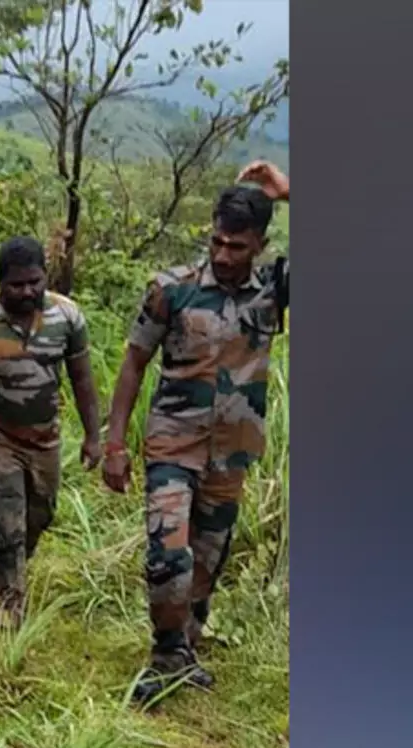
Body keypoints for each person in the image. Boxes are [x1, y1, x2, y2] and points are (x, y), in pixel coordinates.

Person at [101, 160, 290, 707]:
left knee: (208, 557)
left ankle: (186, 649)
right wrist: (115, 444)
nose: (224, 254)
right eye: (217, 241)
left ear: (260, 243)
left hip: (232, 452)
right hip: (172, 442)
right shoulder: (172, 290)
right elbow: (134, 361)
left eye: (237, 246)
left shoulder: (274, 290)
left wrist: (291, 192)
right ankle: (163, 657)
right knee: (168, 553)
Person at [0, 236, 102, 627]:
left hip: (45, 438)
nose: (27, 291)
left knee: (40, 514)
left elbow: (82, 378)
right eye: (16, 284)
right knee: (5, 518)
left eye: (34, 282)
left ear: (45, 276)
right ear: (0, 282)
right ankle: (10, 603)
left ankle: (16, 567)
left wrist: (94, 436)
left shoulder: (67, 316)